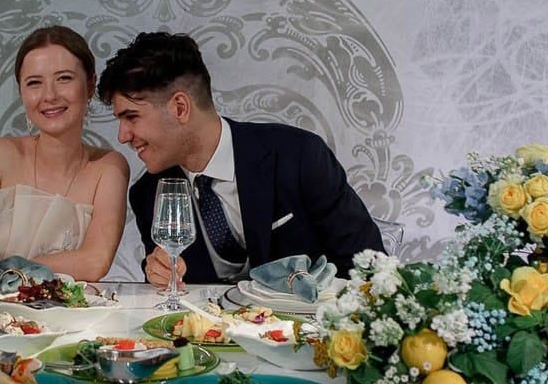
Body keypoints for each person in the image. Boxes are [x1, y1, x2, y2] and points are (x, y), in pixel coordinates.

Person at [97, 30, 384, 288]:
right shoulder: (149, 194)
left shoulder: (298, 155)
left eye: (131, 117)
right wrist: (160, 274)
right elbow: (179, 296)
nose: (123, 136)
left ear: (180, 108)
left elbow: (369, 266)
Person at [0, 25, 129, 280]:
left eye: (64, 78)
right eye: (34, 83)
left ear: (90, 85)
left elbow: (94, 262)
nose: (49, 95)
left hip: (70, 317)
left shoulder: (108, 167)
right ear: (22, 92)